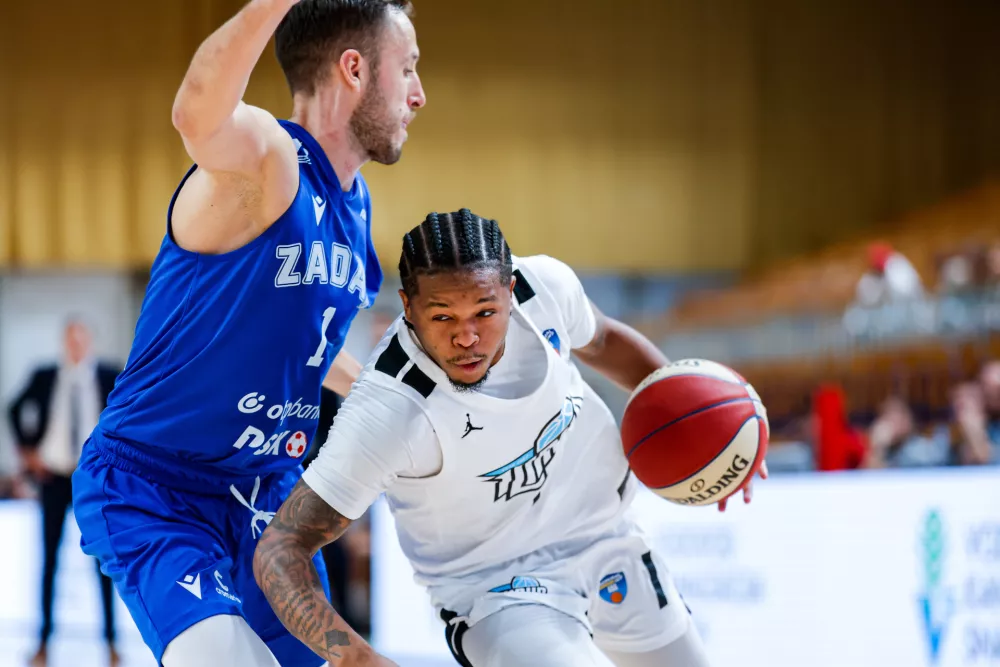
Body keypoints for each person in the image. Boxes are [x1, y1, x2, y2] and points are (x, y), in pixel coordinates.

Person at [70, 1, 426, 665]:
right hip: (157, 487)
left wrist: (404, 401)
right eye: (406, 68)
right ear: (353, 69)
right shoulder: (268, 157)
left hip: (264, 496)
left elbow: (309, 354)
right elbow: (195, 115)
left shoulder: (355, 206)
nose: (419, 93)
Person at [254, 210, 767, 666]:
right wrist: (354, 657)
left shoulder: (544, 287)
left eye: (484, 311)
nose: (467, 336)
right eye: (442, 318)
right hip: (497, 589)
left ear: (510, 286)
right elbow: (280, 549)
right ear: (408, 307)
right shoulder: (387, 411)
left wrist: (706, 426)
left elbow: (605, 338)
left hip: (607, 537)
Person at [7, 319, 121, 667]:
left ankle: (111, 644)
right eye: (70, 340)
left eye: (81, 340)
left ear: (90, 343)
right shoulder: (45, 375)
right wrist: (28, 453)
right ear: (63, 343)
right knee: (49, 561)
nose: (75, 346)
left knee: (103, 562)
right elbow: (13, 408)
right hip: (54, 476)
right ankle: (42, 643)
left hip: (91, 478)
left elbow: (128, 415)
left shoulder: (108, 375)